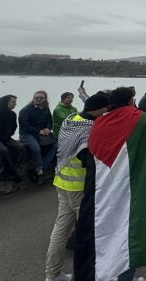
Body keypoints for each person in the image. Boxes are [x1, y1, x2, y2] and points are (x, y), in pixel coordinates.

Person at [74, 87, 146, 281]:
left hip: (101, 188)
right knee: (129, 230)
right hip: (128, 183)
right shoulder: (139, 120)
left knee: (108, 232)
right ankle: (123, 276)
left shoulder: (99, 122)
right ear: (131, 100)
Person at [45, 92, 109, 281]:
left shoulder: (70, 120)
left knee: (61, 230)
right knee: (90, 234)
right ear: (99, 109)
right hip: (80, 187)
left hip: (61, 180)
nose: (106, 112)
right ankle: (96, 274)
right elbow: (89, 161)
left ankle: (53, 274)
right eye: (105, 109)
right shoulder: (90, 129)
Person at [19, 90, 56, 184]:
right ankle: (40, 172)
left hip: (42, 133)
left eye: (41, 98)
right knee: (36, 148)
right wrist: (38, 131)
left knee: (56, 146)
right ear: (33, 98)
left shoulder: (46, 109)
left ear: (45, 99)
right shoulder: (25, 110)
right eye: (36, 97)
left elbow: (49, 121)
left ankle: (39, 168)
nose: (38, 99)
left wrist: (48, 128)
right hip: (27, 134)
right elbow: (25, 125)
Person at [0, 94, 22, 181]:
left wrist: (8, 135)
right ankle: (13, 172)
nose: (15, 104)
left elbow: (14, 127)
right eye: (13, 102)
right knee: (3, 150)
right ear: (6, 102)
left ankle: (6, 173)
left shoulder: (12, 114)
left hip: (5, 138)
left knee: (17, 147)